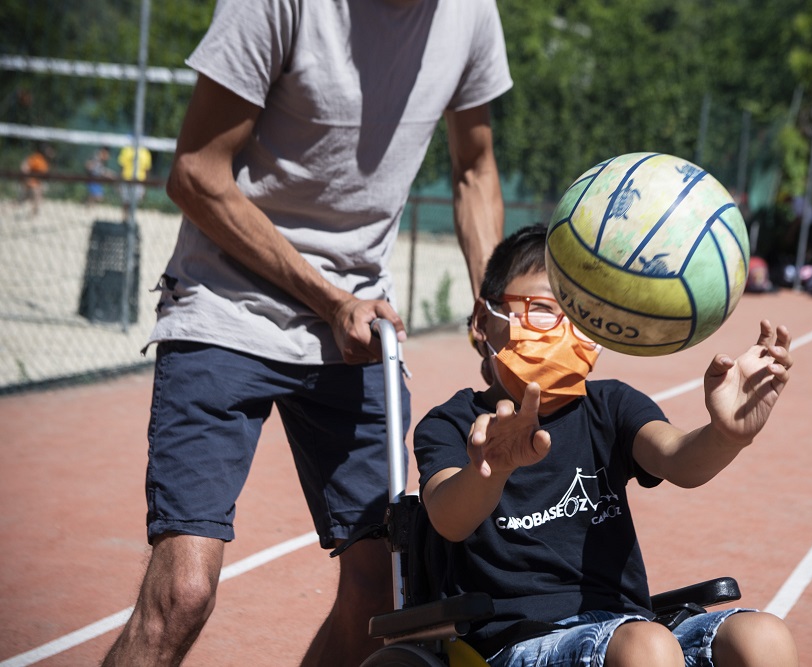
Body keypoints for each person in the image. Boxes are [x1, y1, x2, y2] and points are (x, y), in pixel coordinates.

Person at [101, 1, 511, 666]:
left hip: (358, 328)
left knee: (383, 592)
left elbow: (474, 167)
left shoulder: (470, 13)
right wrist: (329, 299)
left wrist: (492, 305)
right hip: (226, 307)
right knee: (182, 594)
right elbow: (196, 172)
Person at [414, 224, 799, 667]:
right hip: (520, 641)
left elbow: (678, 458)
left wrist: (726, 435)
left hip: (625, 625)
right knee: (647, 646)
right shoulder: (452, 424)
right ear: (484, 320)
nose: (563, 331)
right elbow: (448, 518)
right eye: (544, 310)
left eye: (581, 317)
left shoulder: (610, 404)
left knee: (763, 636)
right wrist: (491, 471)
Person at [117, 139, 152, 215]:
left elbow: (147, 170)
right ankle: (125, 218)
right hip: (126, 179)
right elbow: (121, 167)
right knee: (126, 201)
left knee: (134, 202)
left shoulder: (145, 152)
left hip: (139, 180)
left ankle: (130, 218)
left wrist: (145, 185)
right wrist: (119, 182)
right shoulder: (127, 150)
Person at [19, 144, 53, 216]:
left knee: (36, 195)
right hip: (32, 182)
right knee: (35, 195)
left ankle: (34, 212)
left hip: (36, 182)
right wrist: (27, 179)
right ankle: (34, 212)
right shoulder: (37, 158)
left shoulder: (44, 161)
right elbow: (25, 168)